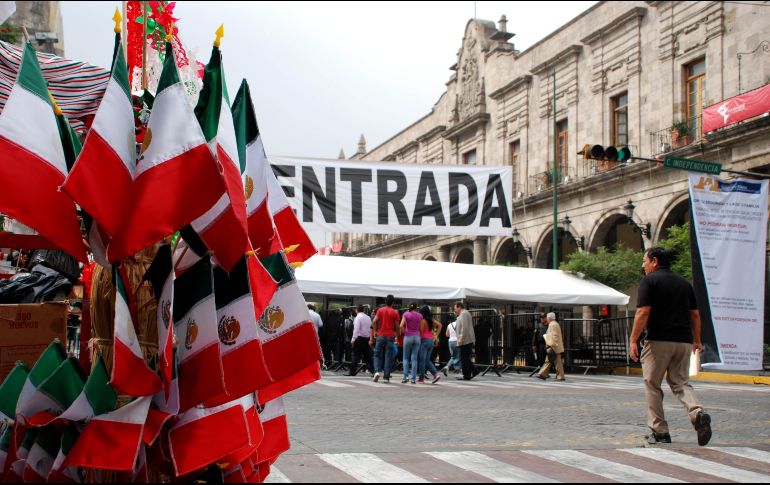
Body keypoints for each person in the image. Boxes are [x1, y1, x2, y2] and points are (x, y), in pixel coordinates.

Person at [629, 247, 712, 446]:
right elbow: (695, 314)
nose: (643, 265)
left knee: (652, 384)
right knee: (681, 382)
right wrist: (697, 339)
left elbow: (643, 312)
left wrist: (633, 339)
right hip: (683, 341)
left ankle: (660, 432)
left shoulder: (649, 281)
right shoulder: (684, 283)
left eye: (644, 261)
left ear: (654, 261)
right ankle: (697, 413)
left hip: (658, 340)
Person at [371, 295, 400, 383]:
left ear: (385, 301)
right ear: (393, 302)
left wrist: (375, 331)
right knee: (388, 357)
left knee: (376, 354)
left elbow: (374, 321)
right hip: (390, 336)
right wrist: (397, 337)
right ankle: (386, 377)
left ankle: (376, 371)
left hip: (381, 335)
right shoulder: (395, 312)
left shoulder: (380, 310)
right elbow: (397, 326)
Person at [454, 302, 478, 380]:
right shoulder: (464, 313)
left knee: (464, 358)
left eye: (455, 308)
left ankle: (467, 374)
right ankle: (474, 371)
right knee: (465, 358)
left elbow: (465, 327)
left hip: (465, 340)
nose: (455, 310)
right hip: (466, 339)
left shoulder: (464, 314)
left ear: (459, 307)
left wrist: (461, 338)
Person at [536, 312, 565, 381]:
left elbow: (555, 336)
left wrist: (551, 345)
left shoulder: (553, 324)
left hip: (554, 347)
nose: (546, 319)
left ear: (549, 318)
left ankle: (560, 377)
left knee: (556, 363)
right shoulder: (553, 324)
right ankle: (542, 374)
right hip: (554, 346)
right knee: (549, 360)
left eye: (547, 317)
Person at [417, 306, 442, 384]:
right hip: (431, 341)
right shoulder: (431, 320)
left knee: (422, 360)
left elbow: (420, 332)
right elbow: (440, 325)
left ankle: (422, 378)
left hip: (424, 341)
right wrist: (436, 335)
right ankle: (436, 374)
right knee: (427, 360)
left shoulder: (422, 321)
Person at [400, 303, 423, 384]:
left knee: (405, 358)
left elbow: (401, 325)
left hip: (408, 336)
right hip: (417, 337)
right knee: (414, 359)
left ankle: (406, 377)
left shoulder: (406, 314)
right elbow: (420, 328)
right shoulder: (420, 315)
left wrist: (405, 332)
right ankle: (413, 379)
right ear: (416, 308)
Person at [348, 305, 373, 376]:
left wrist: (353, 339)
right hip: (366, 339)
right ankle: (374, 371)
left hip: (359, 338)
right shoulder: (368, 317)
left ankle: (352, 372)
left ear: (357, 310)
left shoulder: (357, 318)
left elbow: (356, 329)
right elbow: (370, 328)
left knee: (355, 355)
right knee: (368, 356)